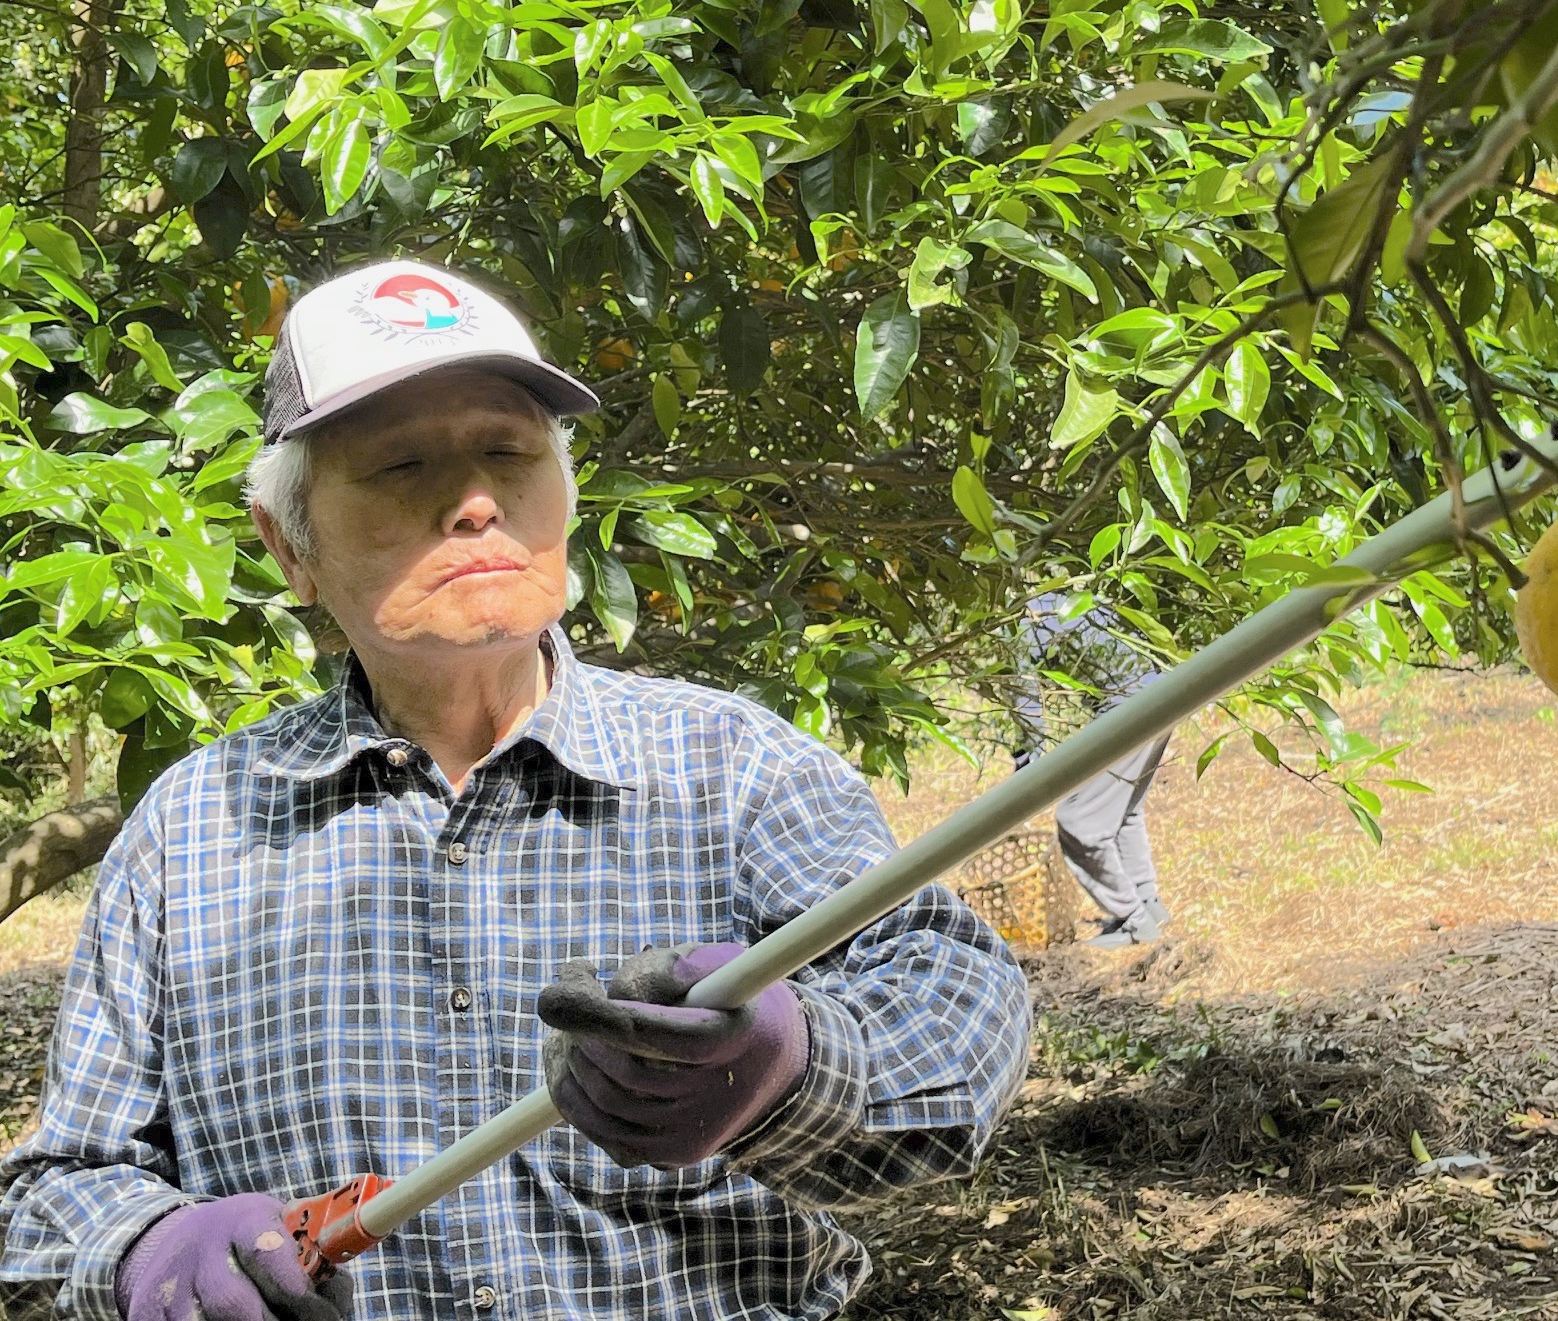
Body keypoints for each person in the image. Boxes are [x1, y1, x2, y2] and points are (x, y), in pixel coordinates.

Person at [0, 260, 1032, 1321]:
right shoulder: (192, 828)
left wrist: (795, 1062)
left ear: (565, 501)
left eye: (510, 452)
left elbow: (962, 1019)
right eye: (400, 465)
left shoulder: (735, 768)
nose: (477, 501)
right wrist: (144, 1252)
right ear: (289, 548)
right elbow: (56, 1188)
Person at [1011, 592, 1171, 949]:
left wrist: (1026, 761)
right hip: (1165, 691)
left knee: (1079, 822)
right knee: (1122, 810)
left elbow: (1024, 695)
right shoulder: (1070, 593)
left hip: (1130, 705)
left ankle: (1135, 921)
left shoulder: (1022, 619)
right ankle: (1147, 904)